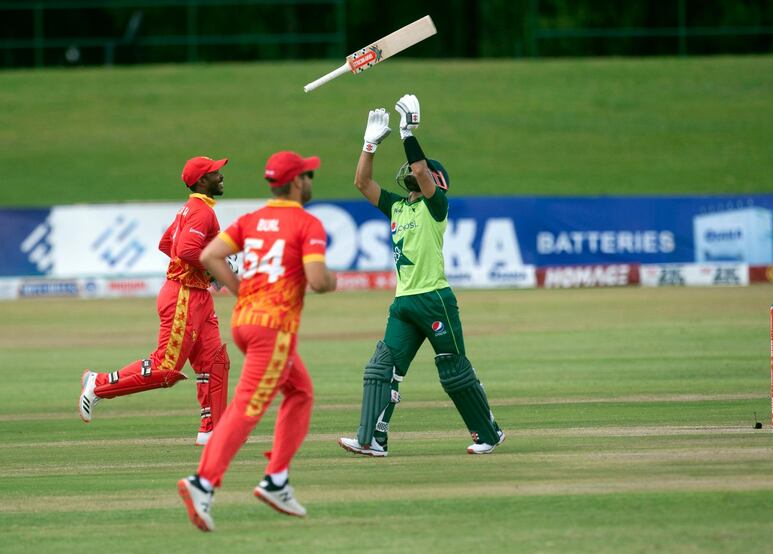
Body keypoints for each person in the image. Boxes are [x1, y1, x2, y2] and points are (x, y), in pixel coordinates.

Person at [177, 150, 337, 532]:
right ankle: (203, 483)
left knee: (300, 392)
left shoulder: (252, 219)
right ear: (297, 182)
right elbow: (317, 280)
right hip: (274, 329)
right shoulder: (308, 223)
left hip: (245, 323)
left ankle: (276, 480)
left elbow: (211, 254)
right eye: (308, 176)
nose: (310, 181)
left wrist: (240, 291)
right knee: (247, 407)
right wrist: (332, 281)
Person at [338, 94, 505, 457]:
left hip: (435, 299)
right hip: (404, 303)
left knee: (454, 370)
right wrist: (368, 145)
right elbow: (362, 183)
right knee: (382, 369)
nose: (414, 172)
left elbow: (419, 171)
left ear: (435, 179)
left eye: (424, 172)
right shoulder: (398, 207)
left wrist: (407, 132)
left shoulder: (436, 205)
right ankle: (373, 440)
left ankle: (488, 433)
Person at [78, 156, 231, 446]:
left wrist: (207, 273)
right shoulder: (201, 212)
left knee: (214, 362)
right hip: (184, 295)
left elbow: (166, 244)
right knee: (165, 368)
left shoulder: (192, 209)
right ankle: (98, 384)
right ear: (201, 181)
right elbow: (185, 250)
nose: (221, 175)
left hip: (196, 294)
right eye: (214, 172)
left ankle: (213, 430)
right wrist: (215, 267)